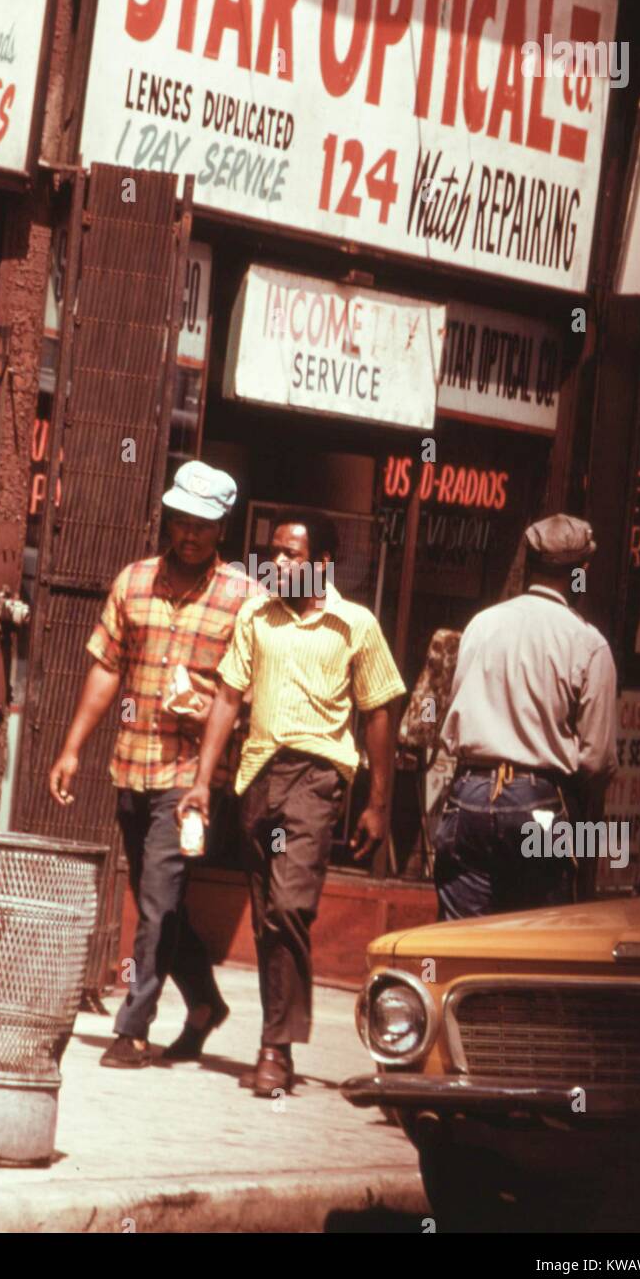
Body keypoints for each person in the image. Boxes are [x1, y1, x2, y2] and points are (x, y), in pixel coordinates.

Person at [177, 511, 407, 1096]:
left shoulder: (355, 625)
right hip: (259, 777)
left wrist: (378, 802)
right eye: (272, 552)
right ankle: (280, 1036)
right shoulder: (257, 617)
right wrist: (203, 781)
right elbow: (229, 697)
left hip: (317, 778)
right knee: (265, 915)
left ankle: (275, 1047)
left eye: (291, 555)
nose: (277, 564)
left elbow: (379, 711)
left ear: (323, 564)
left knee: (289, 905)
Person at [49, 460, 259, 1069]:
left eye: (202, 524)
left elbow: (245, 692)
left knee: (160, 898)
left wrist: (217, 726)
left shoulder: (245, 598)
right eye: (179, 521)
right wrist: (71, 747)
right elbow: (106, 667)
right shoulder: (134, 581)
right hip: (131, 762)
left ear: (222, 528)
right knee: (153, 900)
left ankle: (133, 1027)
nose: (188, 534)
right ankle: (204, 1005)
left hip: (192, 778)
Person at [435, 513, 618, 920]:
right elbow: (597, 760)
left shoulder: (481, 625)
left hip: (470, 793)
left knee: (460, 946)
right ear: (579, 575)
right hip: (540, 801)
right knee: (536, 944)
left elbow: (455, 714)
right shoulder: (587, 642)